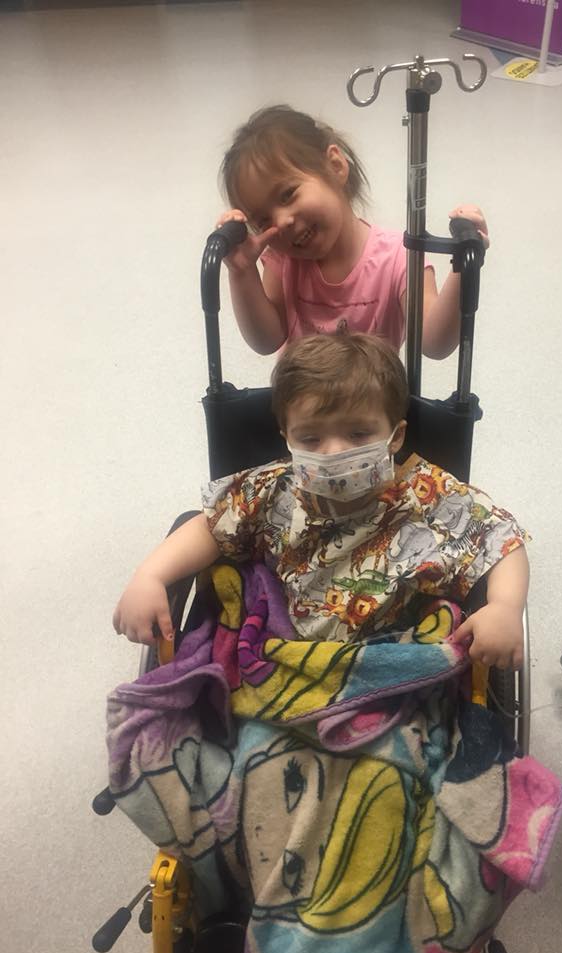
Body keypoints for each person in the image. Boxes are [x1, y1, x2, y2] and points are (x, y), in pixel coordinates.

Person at [113, 333, 528, 672]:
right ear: (288, 439)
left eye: (358, 434)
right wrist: (150, 576)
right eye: (310, 438)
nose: (333, 451)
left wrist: (505, 608)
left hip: (391, 660)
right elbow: (208, 527)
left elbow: (501, 540)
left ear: (396, 436)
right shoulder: (273, 489)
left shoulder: (429, 497)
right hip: (282, 653)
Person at [214, 105, 489, 358]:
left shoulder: (399, 258)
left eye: (288, 194)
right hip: (300, 397)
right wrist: (242, 272)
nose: (282, 221)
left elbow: (433, 343)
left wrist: (465, 265)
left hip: (375, 398)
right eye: (264, 221)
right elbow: (266, 340)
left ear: (335, 166)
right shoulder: (283, 260)